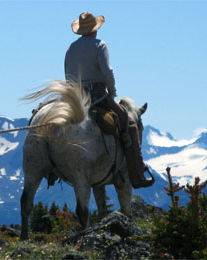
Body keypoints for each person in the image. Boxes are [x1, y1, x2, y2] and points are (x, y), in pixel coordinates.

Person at [64, 11, 154, 189]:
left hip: (75, 97)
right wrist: (112, 92)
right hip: (97, 95)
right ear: (95, 30)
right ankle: (136, 173)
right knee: (130, 124)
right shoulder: (100, 45)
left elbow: (68, 75)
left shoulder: (71, 48)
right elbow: (107, 71)